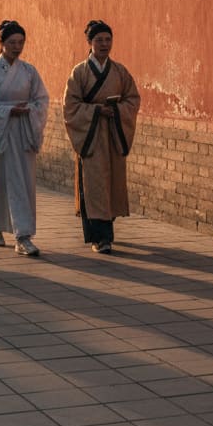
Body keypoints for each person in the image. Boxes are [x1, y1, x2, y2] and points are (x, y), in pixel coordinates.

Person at [63, 20, 141, 254]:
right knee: (94, 184)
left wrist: (116, 111)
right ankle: (101, 237)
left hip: (113, 134)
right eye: (99, 40)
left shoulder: (119, 71)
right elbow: (71, 106)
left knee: (112, 184)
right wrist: (97, 111)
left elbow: (133, 99)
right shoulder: (79, 72)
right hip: (92, 135)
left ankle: (107, 228)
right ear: (89, 42)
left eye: (108, 39)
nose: (104, 44)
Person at [0, 20, 49, 256]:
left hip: (23, 132)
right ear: (1, 43)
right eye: (12, 42)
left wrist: (30, 110)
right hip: (1, 133)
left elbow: (42, 100)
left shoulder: (29, 71)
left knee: (22, 185)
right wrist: (7, 111)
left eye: (21, 42)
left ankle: (23, 236)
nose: (17, 47)